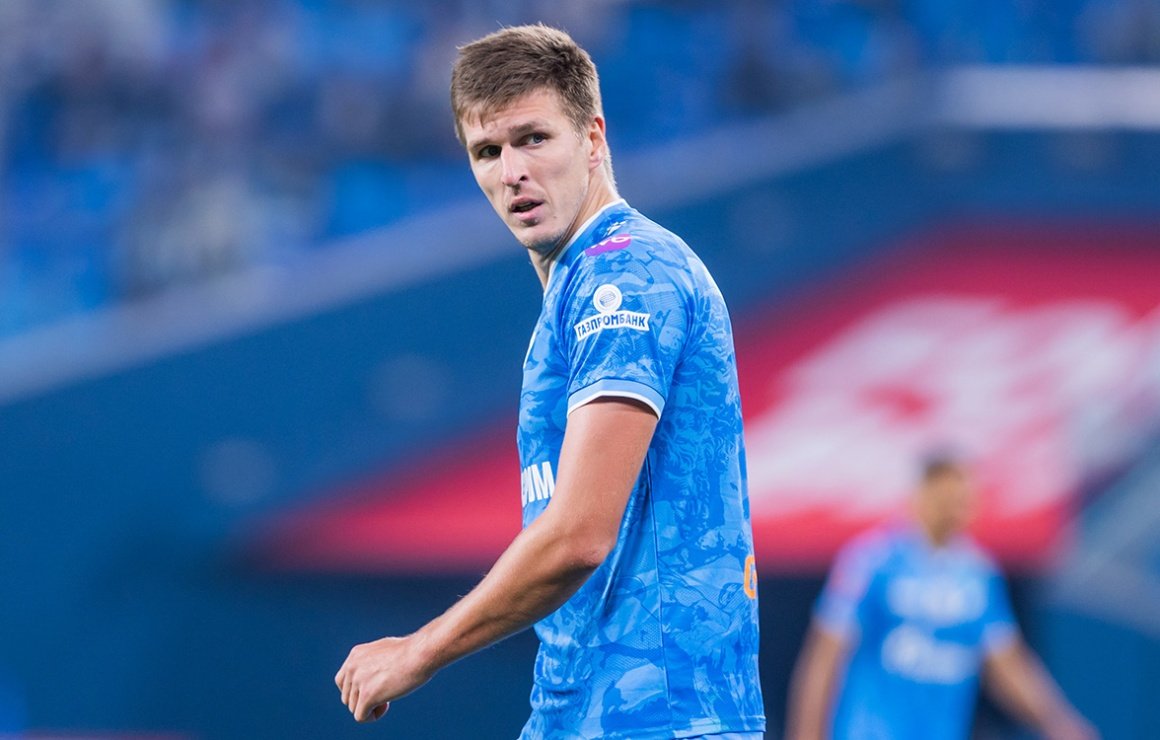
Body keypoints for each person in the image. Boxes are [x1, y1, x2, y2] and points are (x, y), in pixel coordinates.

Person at [334, 24, 765, 739]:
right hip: (585, 709)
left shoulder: (625, 277)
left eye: (534, 139)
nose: (512, 172)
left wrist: (418, 651)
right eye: (488, 151)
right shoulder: (576, 289)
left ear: (593, 138)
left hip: (657, 715)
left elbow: (579, 535)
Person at [785, 456, 1098, 740]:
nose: (956, 510)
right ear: (921, 496)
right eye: (947, 500)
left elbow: (1007, 663)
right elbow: (824, 658)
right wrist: (806, 733)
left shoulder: (978, 574)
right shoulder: (871, 561)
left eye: (963, 501)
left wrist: (1058, 722)